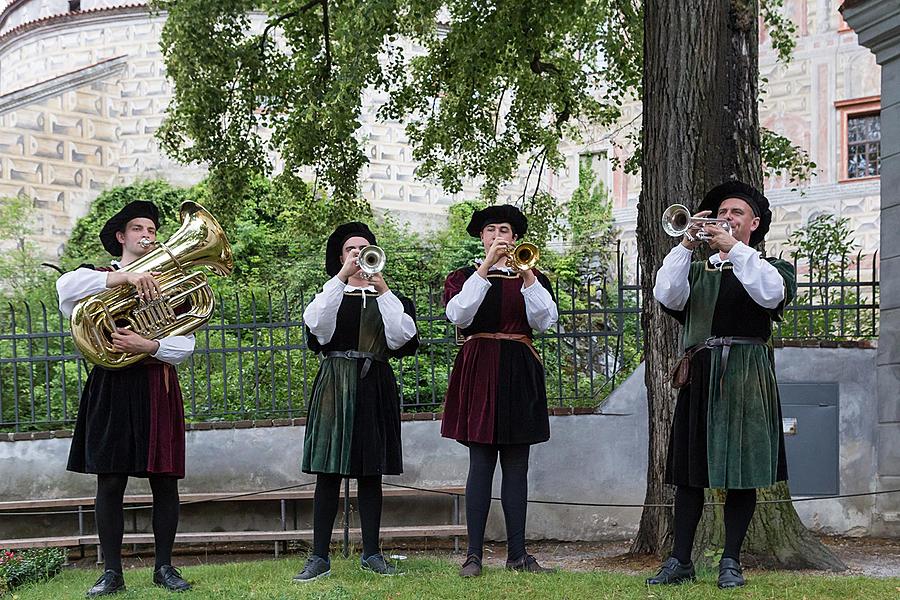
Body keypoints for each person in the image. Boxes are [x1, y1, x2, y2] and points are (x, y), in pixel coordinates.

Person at [649, 181, 797, 589]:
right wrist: (685, 245)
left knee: (742, 472)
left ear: (755, 223)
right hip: (701, 376)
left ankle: (730, 561)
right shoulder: (696, 271)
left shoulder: (770, 268)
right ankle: (679, 560)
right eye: (721, 213)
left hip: (746, 376)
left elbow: (769, 295)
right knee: (689, 473)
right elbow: (667, 294)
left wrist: (734, 247)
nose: (726, 218)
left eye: (736, 212)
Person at [56, 200, 194, 596]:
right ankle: (112, 572)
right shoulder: (97, 276)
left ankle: (164, 568)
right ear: (121, 237)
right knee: (110, 480)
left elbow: (186, 344)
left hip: (156, 382)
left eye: (152, 230)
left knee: (165, 482)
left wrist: (147, 344)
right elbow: (64, 289)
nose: (147, 236)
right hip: (111, 383)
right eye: (138, 229)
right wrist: (126, 280)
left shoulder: (171, 281)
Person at [293, 222, 419, 582]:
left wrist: (383, 291)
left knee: (370, 472)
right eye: (351, 249)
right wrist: (341, 279)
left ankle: (372, 553)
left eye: (364, 249)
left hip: (374, 383)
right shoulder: (329, 296)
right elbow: (316, 329)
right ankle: (319, 557)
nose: (358, 254)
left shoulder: (390, 298)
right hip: (335, 384)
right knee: (327, 472)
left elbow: (402, 339)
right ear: (340, 257)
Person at [441, 204, 559, 577]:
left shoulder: (533, 275)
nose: (497, 236)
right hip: (479, 367)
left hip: (518, 368)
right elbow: (458, 316)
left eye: (504, 230)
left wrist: (526, 278)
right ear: (481, 237)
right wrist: (484, 270)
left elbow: (545, 320)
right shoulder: (462, 277)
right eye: (491, 230)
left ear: (515, 238)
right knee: (480, 464)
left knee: (516, 466)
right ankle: (473, 555)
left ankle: (518, 554)